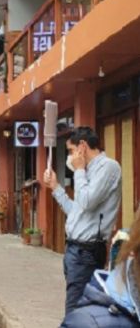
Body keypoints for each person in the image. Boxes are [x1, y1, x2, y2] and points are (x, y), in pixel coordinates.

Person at [44, 126, 122, 314]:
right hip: (73, 249)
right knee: (78, 306)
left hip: (87, 251)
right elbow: (76, 212)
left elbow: (86, 201)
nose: (70, 157)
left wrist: (78, 171)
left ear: (82, 147)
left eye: (71, 151)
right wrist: (55, 188)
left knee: (74, 308)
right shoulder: (85, 172)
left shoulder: (108, 167)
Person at [61, 216, 140, 327]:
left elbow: (85, 204)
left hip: (88, 248)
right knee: (73, 302)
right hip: (76, 248)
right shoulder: (87, 323)